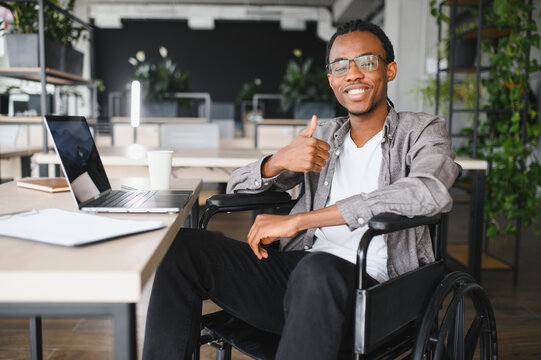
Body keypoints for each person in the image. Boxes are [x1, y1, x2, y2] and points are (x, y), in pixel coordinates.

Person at [142, 19, 459, 360]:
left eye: (366, 62)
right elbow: (235, 186)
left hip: (377, 289)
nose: (352, 74)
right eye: (340, 66)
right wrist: (277, 161)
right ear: (331, 79)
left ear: (390, 70)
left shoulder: (421, 130)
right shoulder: (323, 135)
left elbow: (430, 191)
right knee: (180, 249)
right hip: (298, 277)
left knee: (316, 268)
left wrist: (301, 220)